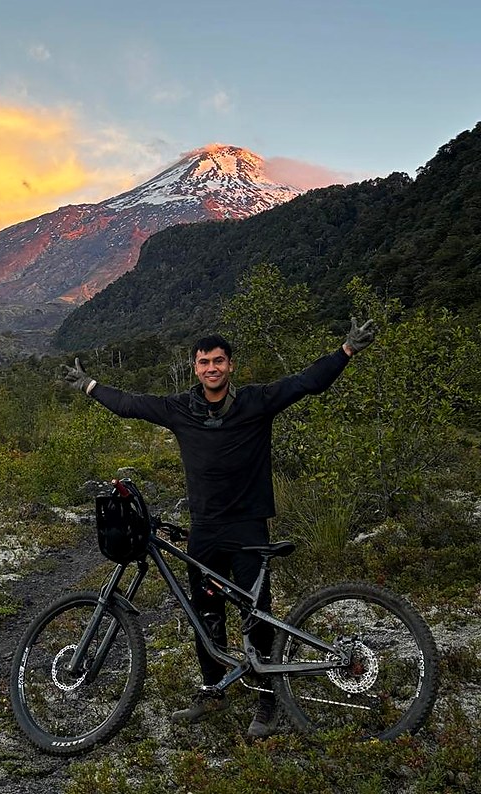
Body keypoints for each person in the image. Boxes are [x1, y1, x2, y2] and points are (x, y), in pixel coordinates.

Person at [62, 317, 376, 740]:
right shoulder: (180, 409)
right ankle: (213, 690)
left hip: (248, 528)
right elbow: (132, 404)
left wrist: (346, 352)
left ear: (230, 366)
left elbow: (305, 383)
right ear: (195, 367)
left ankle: (267, 698)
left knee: (256, 614)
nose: (211, 368)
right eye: (204, 362)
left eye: (219, 361)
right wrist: (90, 386)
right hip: (204, 530)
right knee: (205, 614)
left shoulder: (256, 401)